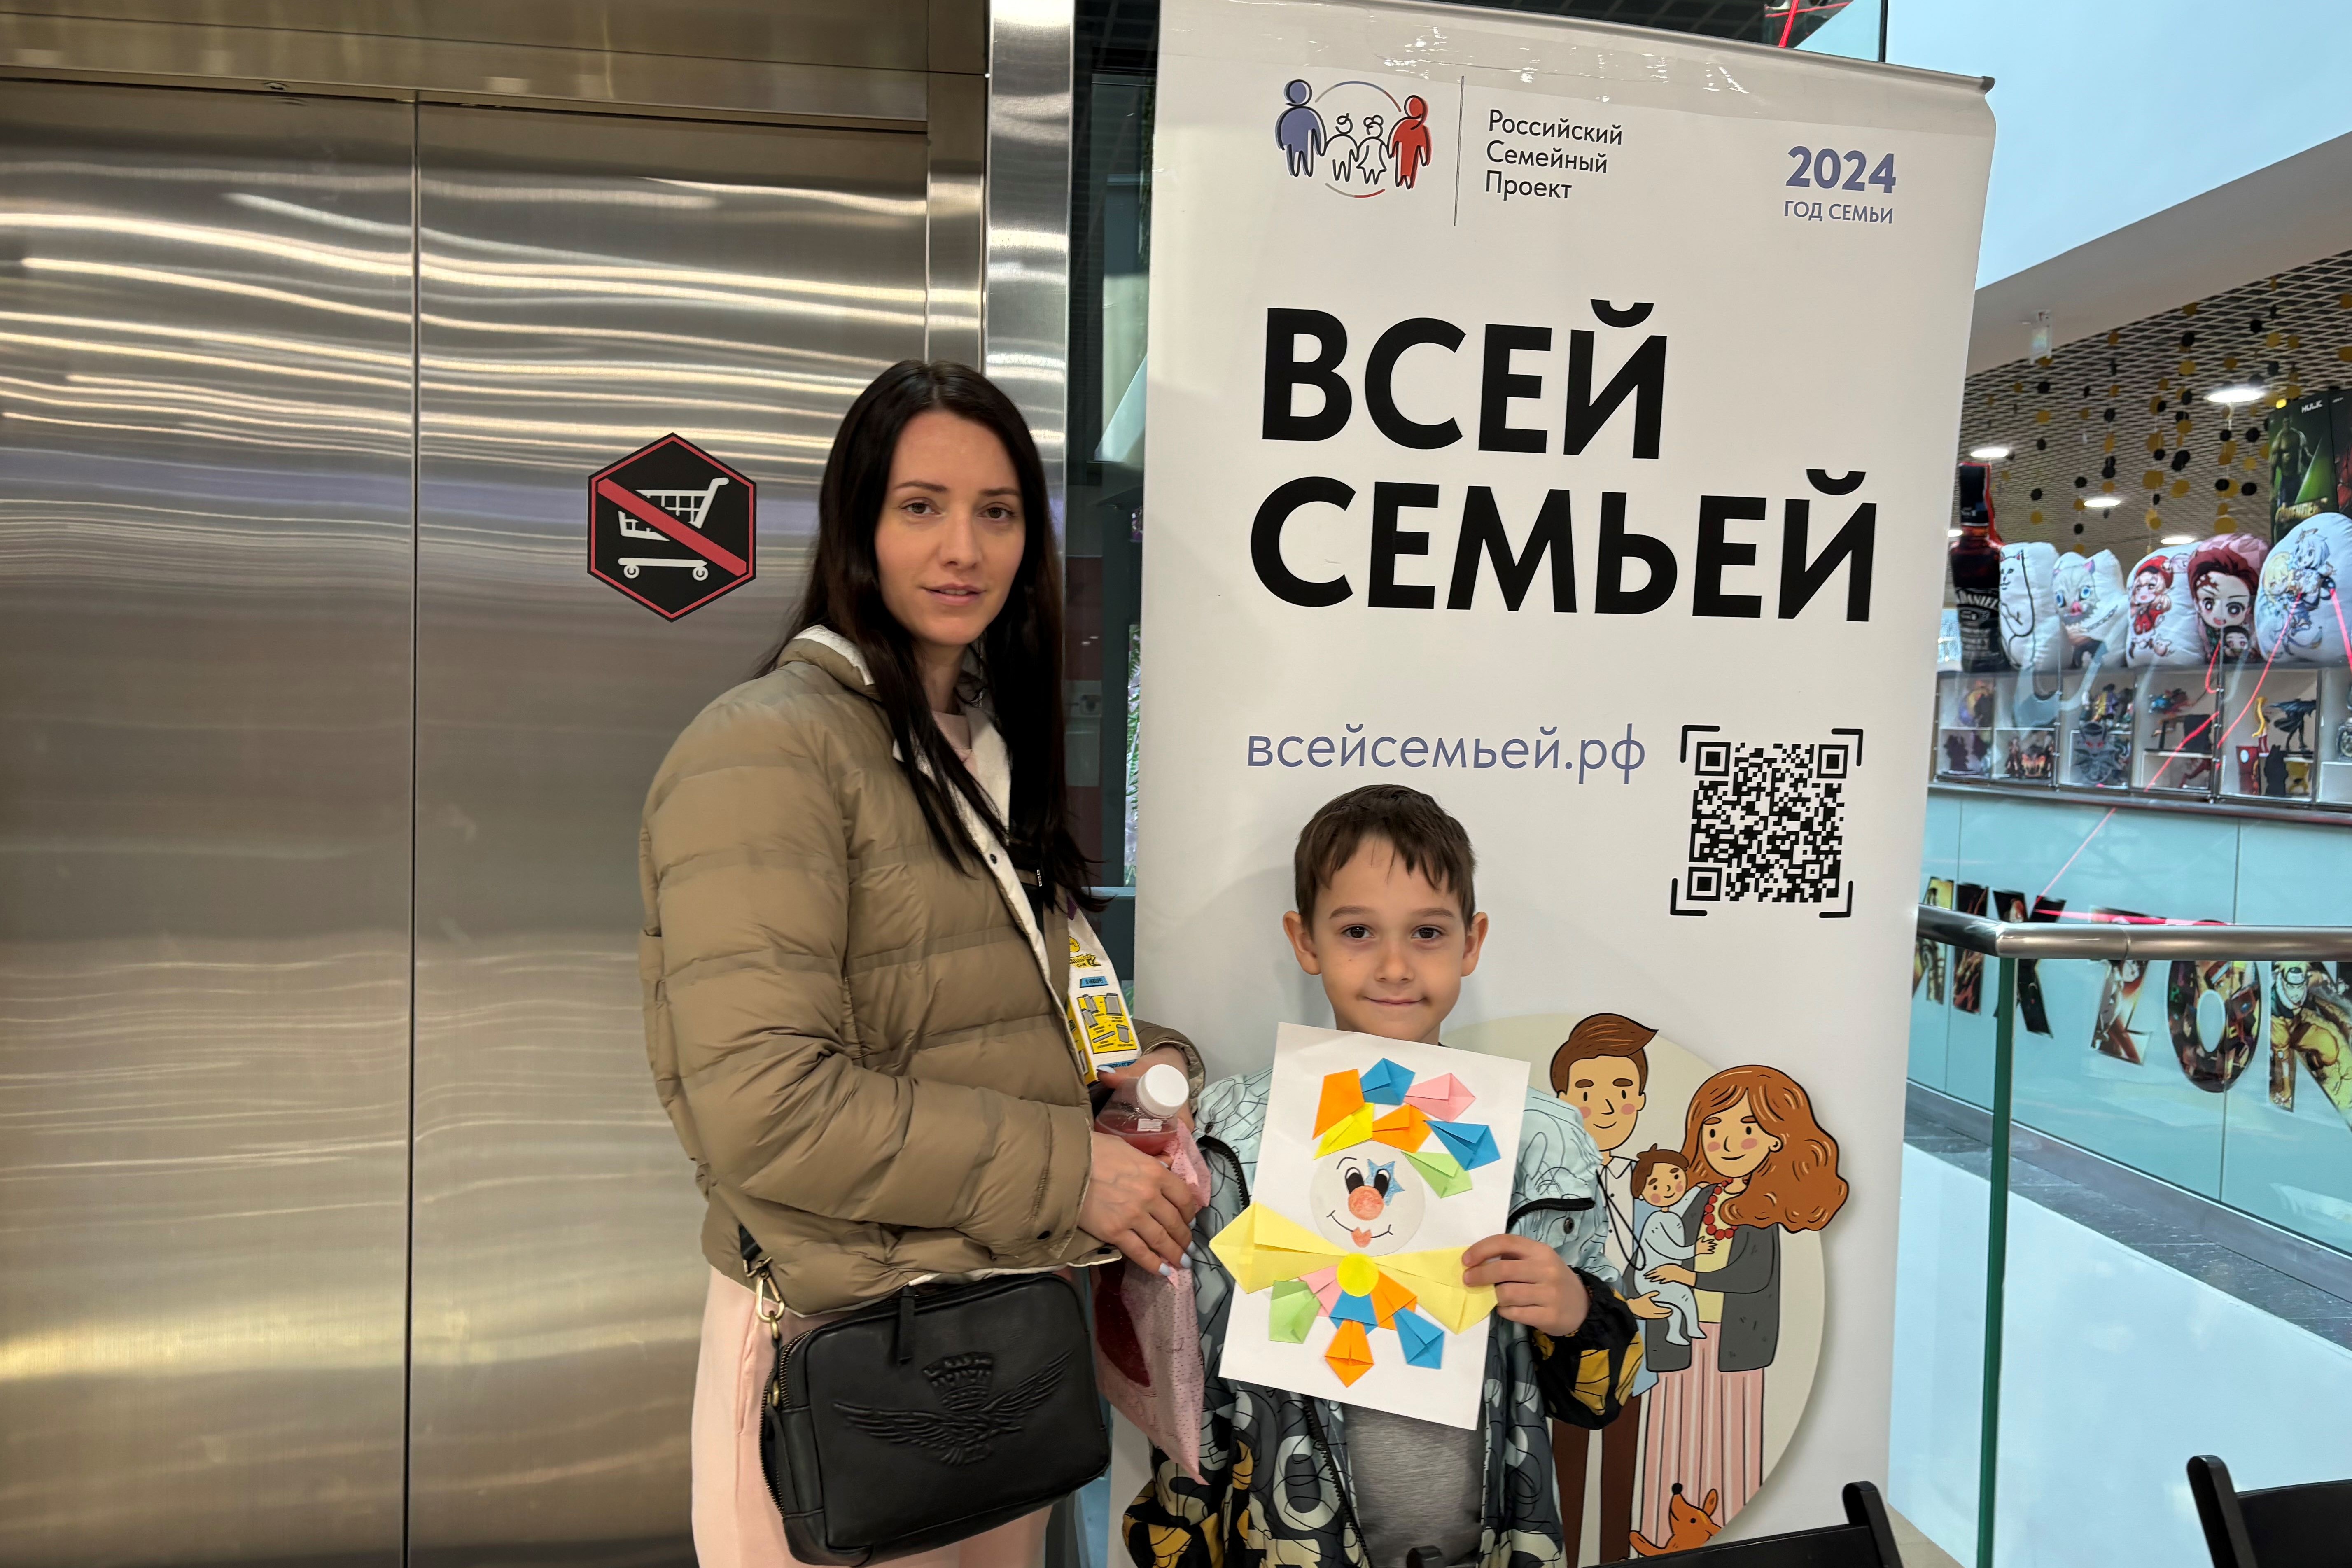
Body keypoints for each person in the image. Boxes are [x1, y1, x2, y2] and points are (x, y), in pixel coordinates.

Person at [639, 360, 1206, 1568]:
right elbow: (768, 1106)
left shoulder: (977, 750)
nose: (964, 548)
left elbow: (969, 1020)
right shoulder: (768, 751)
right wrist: (1072, 1169)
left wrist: (1136, 1071)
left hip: (993, 1354)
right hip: (843, 1361)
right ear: (858, 525)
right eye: (920, 507)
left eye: (997, 512)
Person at [1123, 785, 1636, 1568]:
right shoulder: (1230, 1133)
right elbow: (1183, 1376)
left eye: (1427, 932)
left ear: (1471, 942)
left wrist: (1577, 1312)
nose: (1395, 966)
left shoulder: (1541, 1139)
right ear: (1305, 941)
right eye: (1357, 931)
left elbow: (1600, 1393)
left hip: (1481, 1543)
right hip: (1281, 1542)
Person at [1635, 1065, 1846, 1542]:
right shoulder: (1700, 1197)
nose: (1726, 1142)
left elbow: (1753, 1276)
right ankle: (1658, 1534)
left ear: (1777, 1139)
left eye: (1746, 1127)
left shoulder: (1762, 1207)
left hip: (1733, 1344)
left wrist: (1690, 1276)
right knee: (1672, 1430)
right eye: (1714, 1128)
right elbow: (1665, 1253)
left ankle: (1718, 1536)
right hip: (1682, 1337)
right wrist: (1640, 1289)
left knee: (1726, 1436)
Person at [1547, 1015, 1671, 1563]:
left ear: (1640, 1099)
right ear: (1561, 1101)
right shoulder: (1544, 1178)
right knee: (1563, 1470)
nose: (1604, 1105)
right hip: (1564, 1352)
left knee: (1623, 1469)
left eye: (1622, 1089)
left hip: (1634, 1351)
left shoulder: (1646, 1182)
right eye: (1585, 1090)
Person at [1629, 1147, 1706, 1349]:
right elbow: (1669, 1250)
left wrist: (1696, 1190)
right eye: (1656, 1186)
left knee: (1675, 1303)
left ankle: (1676, 1333)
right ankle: (1692, 1328)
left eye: (1675, 1176)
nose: (1669, 1188)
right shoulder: (1656, 1221)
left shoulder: (1670, 1215)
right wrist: (1695, 1250)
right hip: (1651, 1277)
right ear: (1642, 1194)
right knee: (1683, 1298)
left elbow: (1683, 1205)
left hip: (1666, 1273)